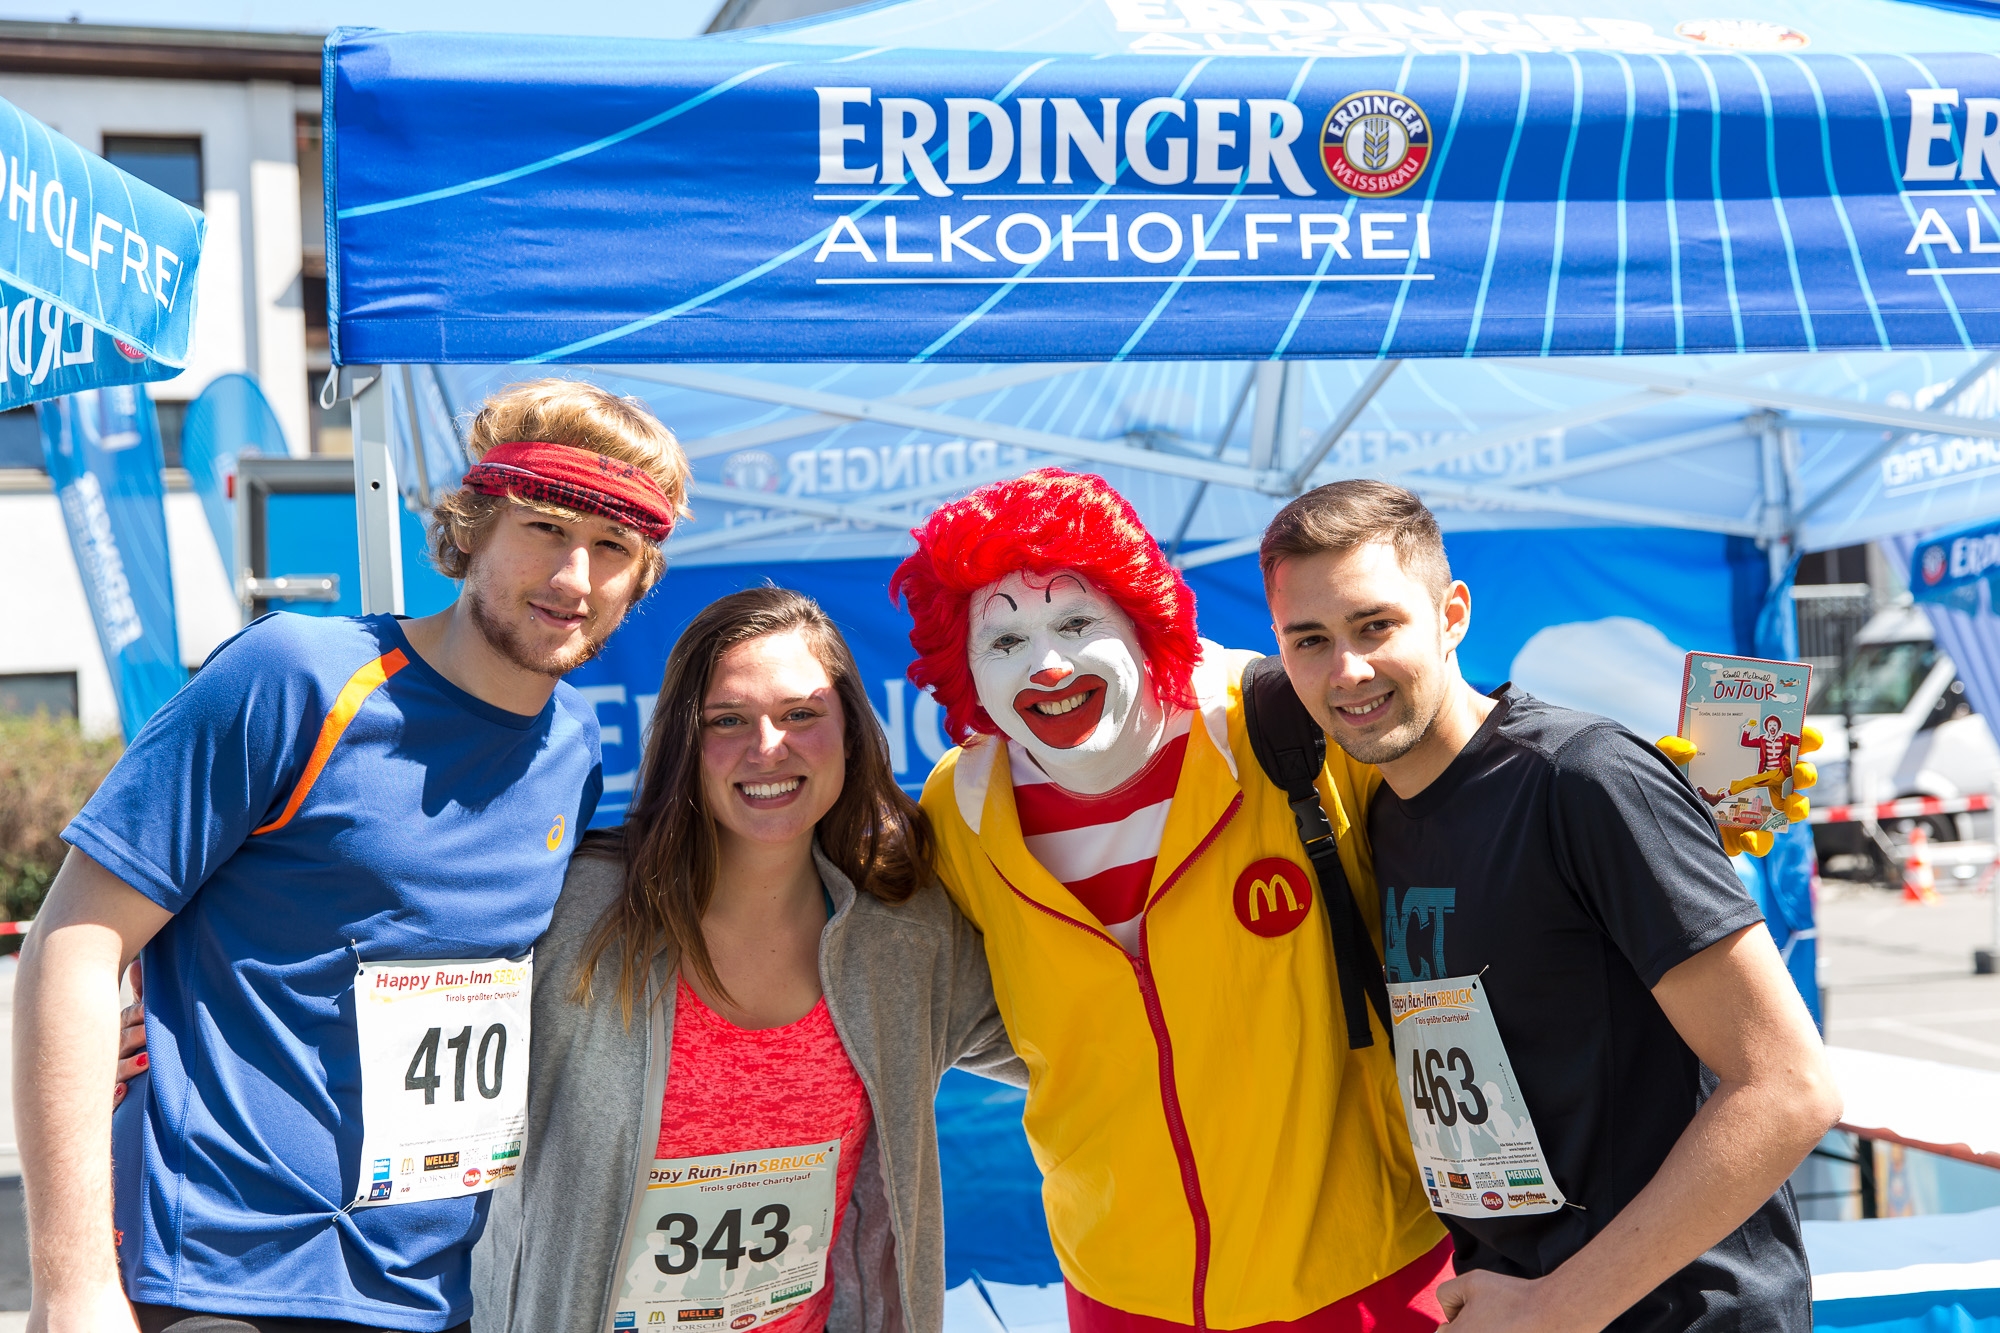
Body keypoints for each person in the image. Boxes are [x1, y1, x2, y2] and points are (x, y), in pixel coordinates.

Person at [17, 378, 690, 1333]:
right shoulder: (296, 675)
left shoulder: (573, 752)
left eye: (612, 547)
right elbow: (73, 943)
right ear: (477, 522)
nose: (575, 577)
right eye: (545, 526)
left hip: (427, 1289)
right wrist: (73, 1288)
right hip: (220, 1270)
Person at [1261, 480, 1841, 1333]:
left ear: (1452, 614)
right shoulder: (1376, 821)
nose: (1346, 669)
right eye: (1308, 640)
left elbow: (1790, 1087)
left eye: (1376, 625)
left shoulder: (1584, 777)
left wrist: (1562, 1304)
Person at [892, 470, 1449, 1333]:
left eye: (1076, 622)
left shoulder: (1281, 725)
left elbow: (1488, 806)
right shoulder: (958, 813)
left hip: (1369, 1271)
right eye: (1001, 642)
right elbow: (977, 1010)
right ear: (962, 666)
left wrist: (1672, 802)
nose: (1045, 663)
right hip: (1124, 1291)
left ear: (1142, 622)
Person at [471, 586, 1020, 1333]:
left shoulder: (904, 936)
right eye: (728, 720)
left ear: (850, 734)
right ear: (683, 745)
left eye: (801, 713)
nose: (769, 747)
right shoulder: (576, 912)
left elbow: (1067, 1039)